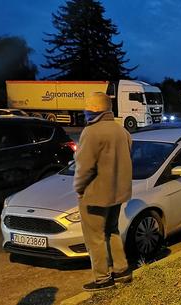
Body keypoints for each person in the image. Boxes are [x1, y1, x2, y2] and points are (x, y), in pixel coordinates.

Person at [74, 92, 133, 291]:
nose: (84, 111)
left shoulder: (91, 132)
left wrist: (79, 189)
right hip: (117, 193)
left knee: (95, 238)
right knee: (112, 231)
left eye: (86, 107)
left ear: (94, 110)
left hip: (95, 196)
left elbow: (84, 167)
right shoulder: (121, 131)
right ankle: (122, 270)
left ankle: (102, 278)